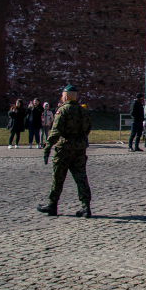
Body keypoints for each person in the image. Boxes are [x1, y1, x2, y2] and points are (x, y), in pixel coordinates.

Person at [37, 86, 93, 218]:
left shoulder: (62, 111)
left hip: (64, 148)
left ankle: (52, 204)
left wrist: (47, 147)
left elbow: (56, 131)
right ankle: (85, 206)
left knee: (58, 177)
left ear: (65, 96)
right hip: (79, 148)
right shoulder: (83, 111)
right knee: (81, 177)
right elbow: (87, 129)